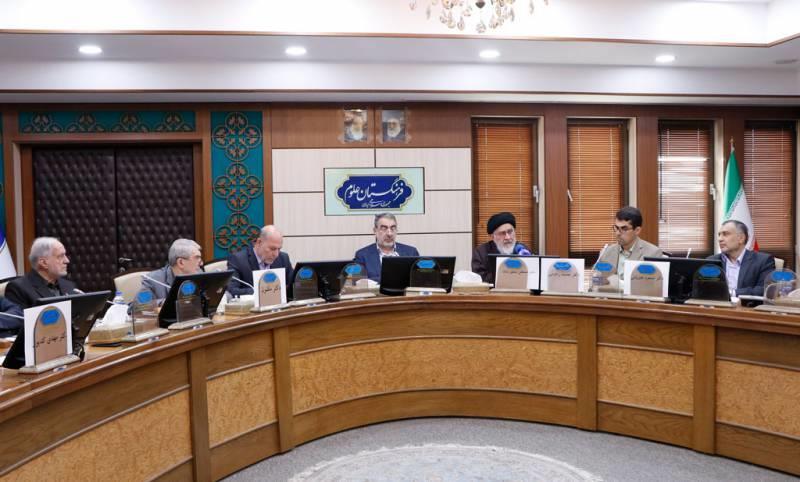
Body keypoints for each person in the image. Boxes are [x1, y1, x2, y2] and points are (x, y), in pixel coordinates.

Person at [595, 206, 663, 289]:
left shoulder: (653, 253)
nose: (618, 233)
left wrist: (617, 284)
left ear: (637, 230)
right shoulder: (607, 251)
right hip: (609, 296)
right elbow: (596, 281)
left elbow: (652, 287)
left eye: (624, 229)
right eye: (616, 228)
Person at [5, 237, 79, 309]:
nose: (67, 261)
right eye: (60, 256)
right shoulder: (18, 288)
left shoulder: (69, 285)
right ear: (44, 263)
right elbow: (17, 317)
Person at [707, 219, 775, 297]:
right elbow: (704, 288)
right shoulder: (711, 261)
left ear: (741, 238)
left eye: (725, 234)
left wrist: (731, 293)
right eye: (719, 235)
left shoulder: (763, 261)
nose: (720, 239)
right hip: (717, 303)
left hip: (746, 304)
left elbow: (764, 289)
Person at [226, 225, 293, 296]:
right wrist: (262, 290)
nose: (276, 254)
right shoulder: (238, 260)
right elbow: (232, 291)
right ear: (259, 242)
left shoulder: (283, 258)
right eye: (272, 249)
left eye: (279, 249)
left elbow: (292, 285)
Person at [354, 213, 419, 282]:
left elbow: (419, 280)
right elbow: (359, 282)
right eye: (384, 229)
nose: (389, 234)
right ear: (375, 231)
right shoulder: (362, 256)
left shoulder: (411, 252)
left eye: (393, 228)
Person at [471, 212, 533, 284]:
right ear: (492, 236)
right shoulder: (480, 252)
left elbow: (532, 276)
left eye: (510, 232)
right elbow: (479, 280)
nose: (508, 237)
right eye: (502, 233)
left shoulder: (523, 250)